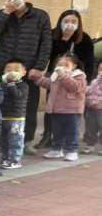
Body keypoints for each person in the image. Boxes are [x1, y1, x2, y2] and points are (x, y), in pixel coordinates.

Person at [0, 0, 52, 154]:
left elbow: (46, 43)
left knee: (28, 104)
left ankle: (26, 140)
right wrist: (6, 13)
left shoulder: (40, 16)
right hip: (3, 67)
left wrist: (39, 67)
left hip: (28, 69)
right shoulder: (3, 14)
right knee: (0, 102)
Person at [37, 10, 95, 150]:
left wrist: (86, 81)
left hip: (74, 76)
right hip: (55, 74)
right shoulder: (52, 35)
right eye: (66, 21)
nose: (70, 24)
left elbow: (89, 61)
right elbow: (46, 53)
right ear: (60, 22)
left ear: (78, 24)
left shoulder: (84, 38)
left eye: (74, 22)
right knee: (52, 104)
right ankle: (47, 135)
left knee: (70, 107)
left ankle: (68, 139)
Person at [35, 53, 87, 162]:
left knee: (71, 131)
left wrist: (63, 75)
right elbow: (49, 84)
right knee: (57, 131)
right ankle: (56, 149)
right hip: (56, 109)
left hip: (72, 110)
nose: (62, 66)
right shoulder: (55, 75)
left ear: (74, 65)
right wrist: (38, 79)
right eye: (60, 64)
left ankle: (72, 151)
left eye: (66, 64)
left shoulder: (79, 76)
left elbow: (75, 87)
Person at [0, 59, 29, 170]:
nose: (11, 72)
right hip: (3, 116)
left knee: (15, 140)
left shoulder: (23, 85)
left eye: (16, 69)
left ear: (24, 72)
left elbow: (17, 96)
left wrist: (11, 83)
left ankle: (15, 160)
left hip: (16, 117)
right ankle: (5, 158)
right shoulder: (2, 84)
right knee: (4, 139)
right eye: (8, 69)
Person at [83, 62, 102, 154]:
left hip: (101, 109)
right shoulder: (94, 81)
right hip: (91, 108)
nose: (101, 72)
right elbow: (90, 90)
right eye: (100, 69)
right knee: (90, 127)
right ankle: (90, 145)